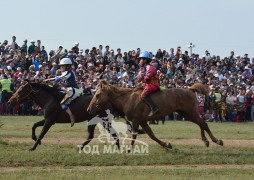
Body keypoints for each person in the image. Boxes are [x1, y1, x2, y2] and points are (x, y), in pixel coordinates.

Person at [44, 58, 78, 127]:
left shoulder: (69, 72)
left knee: (62, 104)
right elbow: (59, 77)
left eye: (62, 66)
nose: (61, 67)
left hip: (72, 90)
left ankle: (72, 116)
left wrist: (49, 79)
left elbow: (59, 78)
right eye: (61, 66)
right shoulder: (66, 72)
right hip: (68, 89)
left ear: (67, 66)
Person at [137, 51, 160, 116]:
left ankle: (154, 108)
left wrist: (141, 78)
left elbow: (146, 78)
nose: (139, 61)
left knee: (142, 96)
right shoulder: (144, 68)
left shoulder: (151, 68)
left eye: (141, 59)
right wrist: (140, 80)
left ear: (145, 60)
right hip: (149, 85)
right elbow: (142, 79)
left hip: (152, 85)